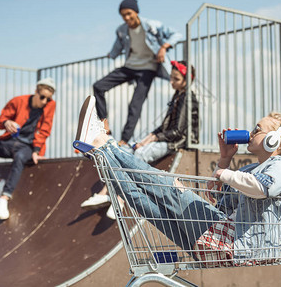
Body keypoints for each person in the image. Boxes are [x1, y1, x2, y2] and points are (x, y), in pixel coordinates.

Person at [74, 95, 281, 263]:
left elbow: (262, 189)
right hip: (219, 244)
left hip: (232, 244)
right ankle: (100, 151)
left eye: (257, 129)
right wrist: (224, 161)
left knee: (168, 187)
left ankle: (104, 143)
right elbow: (218, 202)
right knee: (142, 201)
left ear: (273, 141)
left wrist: (227, 174)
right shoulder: (250, 169)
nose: (251, 131)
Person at [81, 60, 199, 219]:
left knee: (141, 154)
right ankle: (105, 193)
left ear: (187, 80)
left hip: (178, 143)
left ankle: (121, 199)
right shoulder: (178, 95)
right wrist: (149, 137)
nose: (171, 82)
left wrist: (153, 139)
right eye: (171, 77)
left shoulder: (187, 98)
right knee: (125, 150)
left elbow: (178, 131)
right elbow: (164, 125)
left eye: (176, 79)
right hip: (167, 138)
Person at [93, 0, 182, 147]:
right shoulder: (121, 30)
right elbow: (117, 48)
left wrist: (163, 47)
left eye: (129, 14)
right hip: (129, 67)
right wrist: (111, 54)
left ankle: (124, 140)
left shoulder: (151, 25)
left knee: (135, 104)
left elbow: (177, 34)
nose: (126, 18)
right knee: (98, 86)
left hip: (148, 69)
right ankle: (104, 125)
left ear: (136, 12)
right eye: (123, 15)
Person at [0, 78, 56, 220]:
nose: (45, 101)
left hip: (28, 147)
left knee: (20, 157)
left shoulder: (50, 106)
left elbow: (45, 129)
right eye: (42, 97)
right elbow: (0, 120)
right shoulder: (18, 101)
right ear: (36, 92)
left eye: (48, 99)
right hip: (10, 142)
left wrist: (37, 150)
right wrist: (6, 122)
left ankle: (4, 198)